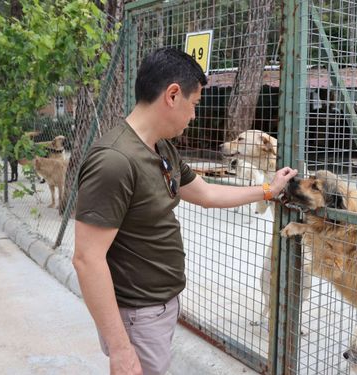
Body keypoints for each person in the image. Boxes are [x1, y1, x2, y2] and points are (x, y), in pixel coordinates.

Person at [72, 47, 297, 375]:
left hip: (157, 308)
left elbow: (205, 193)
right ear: (172, 95)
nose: (194, 115)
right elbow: (87, 259)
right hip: (138, 314)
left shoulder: (160, 147)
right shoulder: (114, 161)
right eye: (194, 105)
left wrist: (267, 190)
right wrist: (121, 348)